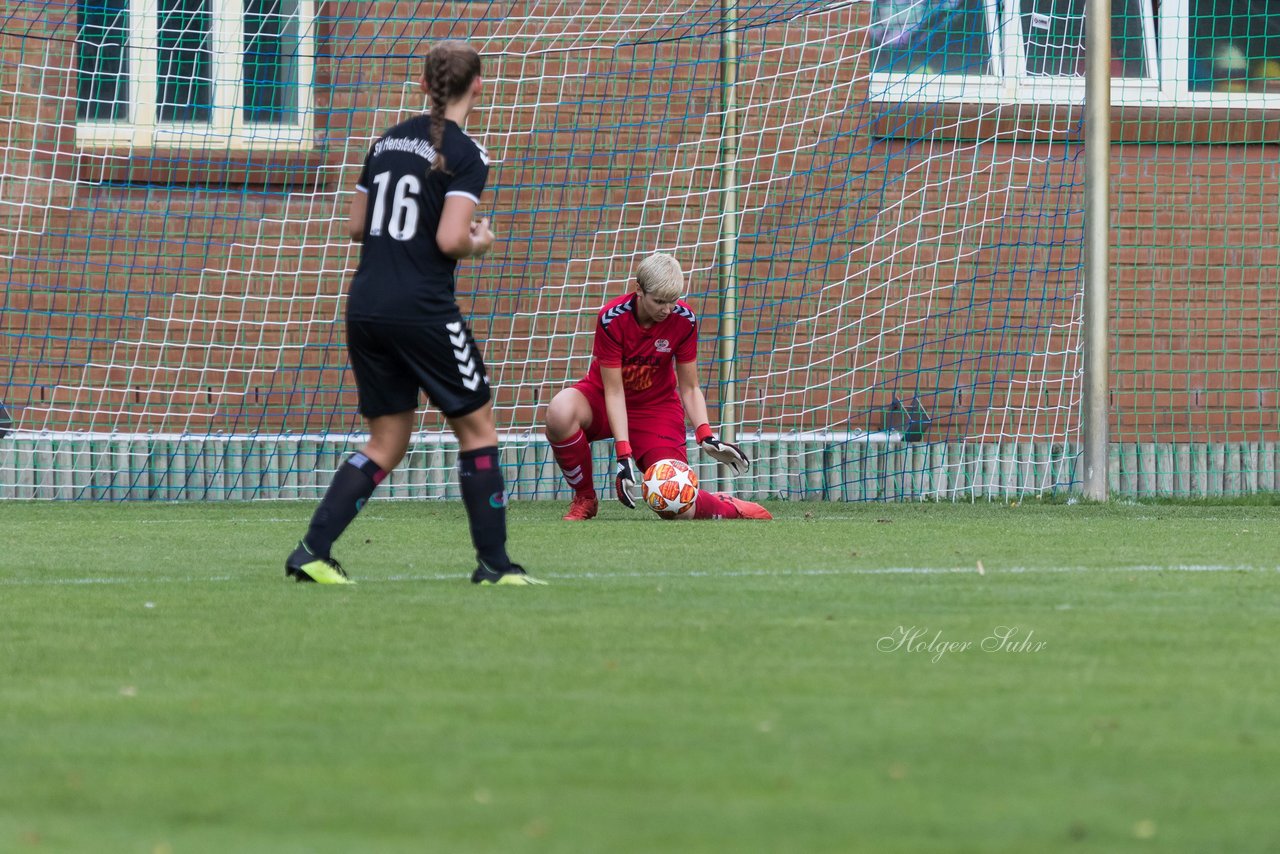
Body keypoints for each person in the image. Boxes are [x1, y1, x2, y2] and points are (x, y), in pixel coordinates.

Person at [286, 40, 544, 586]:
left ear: (424, 86)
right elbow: (451, 238)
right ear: (478, 86)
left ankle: (312, 550)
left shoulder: (384, 142)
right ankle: (495, 566)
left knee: (387, 440)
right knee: (477, 428)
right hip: (421, 307)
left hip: (367, 306)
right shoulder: (466, 153)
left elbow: (357, 227)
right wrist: (480, 241)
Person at [544, 253, 771, 522]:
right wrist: (623, 453)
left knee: (678, 505)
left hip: (656, 409)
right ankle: (585, 498)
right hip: (604, 398)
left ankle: (728, 506)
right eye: (659, 301)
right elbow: (614, 391)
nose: (667, 309)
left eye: (673, 301)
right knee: (560, 411)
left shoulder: (685, 320)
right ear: (638, 290)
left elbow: (689, 386)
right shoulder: (611, 319)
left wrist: (706, 435)